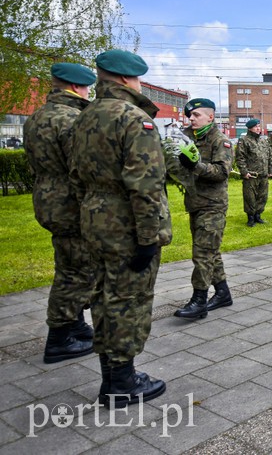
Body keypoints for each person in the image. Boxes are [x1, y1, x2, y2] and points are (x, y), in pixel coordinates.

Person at [70, 49, 170, 408]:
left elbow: (76, 177)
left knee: (102, 296)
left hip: (94, 220)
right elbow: (145, 186)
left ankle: (110, 375)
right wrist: (147, 238)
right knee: (129, 299)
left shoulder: (84, 116)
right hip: (126, 225)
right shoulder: (133, 118)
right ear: (129, 79)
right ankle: (123, 382)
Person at [23, 63, 97, 364]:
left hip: (48, 200)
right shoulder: (72, 119)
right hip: (70, 205)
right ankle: (59, 338)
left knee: (69, 263)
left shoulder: (37, 117)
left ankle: (75, 324)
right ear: (79, 87)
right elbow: (80, 170)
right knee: (76, 271)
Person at [174, 98, 233, 320]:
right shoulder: (187, 136)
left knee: (202, 254)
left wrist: (195, 166)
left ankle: (199, 300)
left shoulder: (221, 141)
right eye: (190, 115)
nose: (191, 119)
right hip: (195, 203)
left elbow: (221, 173)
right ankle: (223, 293)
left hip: (213, 205)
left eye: (196, 115)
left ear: (210, 116)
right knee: (211, 252)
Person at [236, 118, 272, 227]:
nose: (258, 128)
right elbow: (240, 157)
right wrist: (244, 172)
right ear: (250, 128)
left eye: (258, 126)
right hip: (251, 175)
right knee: (250, 197)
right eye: (256, 127)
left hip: (263, 174)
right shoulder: (244, 140)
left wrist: (270, 170)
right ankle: (250, 218)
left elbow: (269, 156)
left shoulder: (263, 140)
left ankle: (258, 215)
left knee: (262, 196)